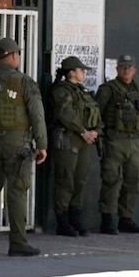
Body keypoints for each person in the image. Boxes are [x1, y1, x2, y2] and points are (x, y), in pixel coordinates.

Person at [0, 38, 47, 256]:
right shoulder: (23, 81)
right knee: (17, 191)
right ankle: (18, 243)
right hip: (17, 142)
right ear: (14, 55)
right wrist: (42, 144)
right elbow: (37, 115)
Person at [49, 57, 101, 237]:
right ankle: (63, 222)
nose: (84, 73)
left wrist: (95, 131)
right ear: (71, 72)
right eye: (81, 70)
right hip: (67, 140)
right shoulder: (62, 90)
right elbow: (66, 114)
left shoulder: (83, 91)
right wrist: (82, 131)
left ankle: (75, 218)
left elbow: (95, 112)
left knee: (80, 180)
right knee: (66, 181)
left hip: (83, 141)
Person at [96, 54, 139, 235]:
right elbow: (97, 115)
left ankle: (126, 218)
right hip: (115, 141)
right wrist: (100, 136)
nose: (126, 70)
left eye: (129, 67)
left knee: (133, 181)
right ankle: (107, 219)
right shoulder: (108, 89)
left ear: (135, 70)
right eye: (123, 67)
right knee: (111, 180)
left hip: (135, 142)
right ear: (117, 69)